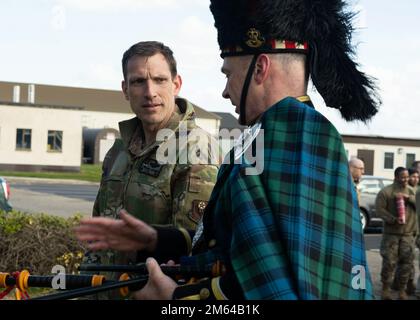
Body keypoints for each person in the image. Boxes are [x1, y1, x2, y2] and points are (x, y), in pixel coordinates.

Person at [76, 0, 379, 299]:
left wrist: (176, 300)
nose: (224, 90)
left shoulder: (294, 134)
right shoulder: (272, 133)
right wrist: (157, 240)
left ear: (260, 68)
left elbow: (275, 289)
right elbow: (237, 255)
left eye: (228, 73)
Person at [81, 41, 220, 298]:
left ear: (176, 84)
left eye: (159, 80)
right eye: (138, 82)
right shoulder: (119, 149)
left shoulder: (195, 148)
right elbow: (99, 232)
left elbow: (193, 248)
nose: (150, 92)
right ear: (125, 89)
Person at [376, 167, 417, 300]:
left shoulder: (412, 192)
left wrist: (409, 198)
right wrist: (393, 219)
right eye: (402, 177)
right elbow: (379, 210)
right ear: (396, 177)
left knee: (407, 264)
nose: (406, 179)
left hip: (408, 235)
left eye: (407, 177)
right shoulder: (386, 192)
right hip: (391, 235)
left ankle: (402, 290)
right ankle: (386, 289)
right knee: (389, 262)